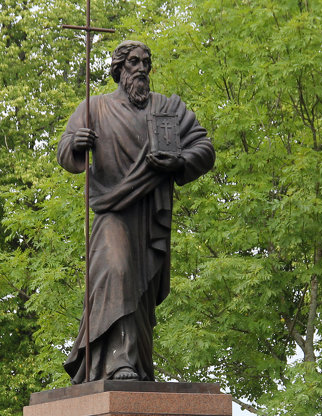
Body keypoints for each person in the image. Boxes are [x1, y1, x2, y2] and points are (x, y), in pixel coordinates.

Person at [57, 40, 215, 382]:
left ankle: (136, 366)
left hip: (150, 213)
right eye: (133, 62)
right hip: (111, 213)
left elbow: (204, 147)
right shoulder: (94, 107)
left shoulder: (167, 109)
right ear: (118, 69)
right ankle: (118, 362)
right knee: (116, 271)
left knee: (140, 294)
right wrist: (76, 144)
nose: (141, 68)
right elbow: (65, 150)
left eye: (146, 62)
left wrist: (180, 161)